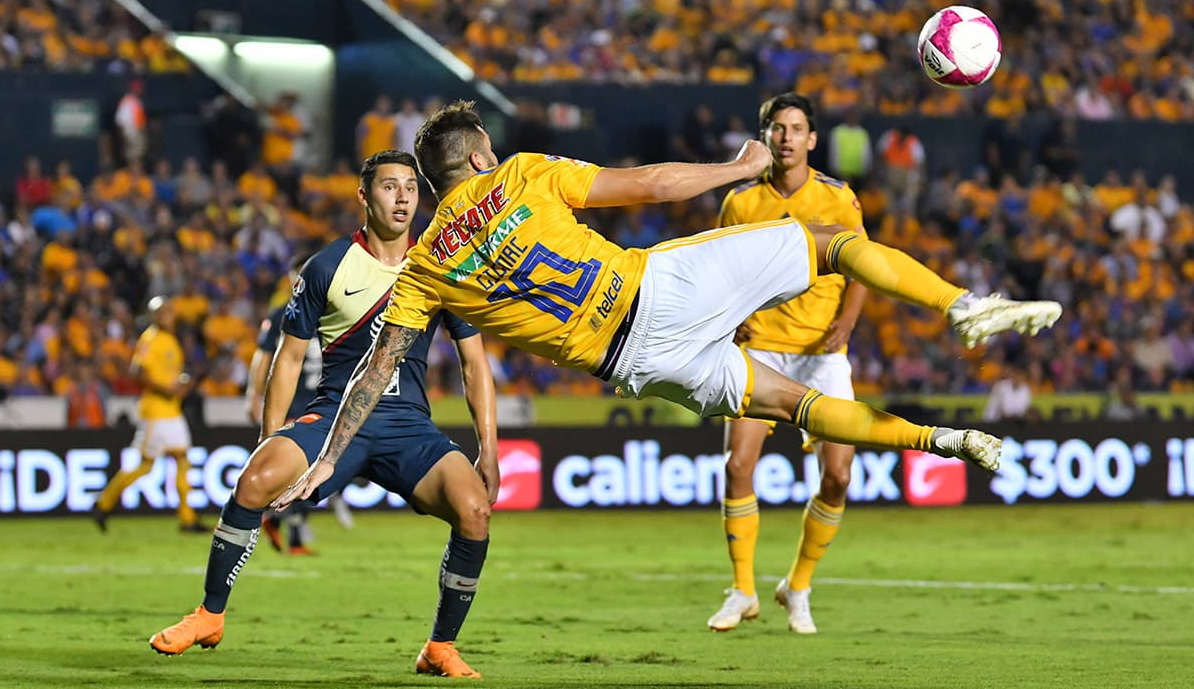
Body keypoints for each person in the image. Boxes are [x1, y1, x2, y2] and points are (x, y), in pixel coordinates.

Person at [277, 101, 1063, 547]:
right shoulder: (522, 174)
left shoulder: (423, 268)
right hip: (656, 292)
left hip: (636, 366)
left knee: (792, 405)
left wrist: (325, 460)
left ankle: (948, 443)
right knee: (830, 244)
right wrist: (740, 168)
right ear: (480, 158)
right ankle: (965, 307)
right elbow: (647, 184)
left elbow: (377, 369)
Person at [149, 150, 499, 680]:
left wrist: (488, 451)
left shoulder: (440, 266)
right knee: (255, 481)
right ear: (364, 196)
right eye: (389, 187)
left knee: (474, 511)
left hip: (408, 426)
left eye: (410, 187)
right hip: (336, 415)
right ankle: (208, 615)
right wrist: (270, 437)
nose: (403, 197)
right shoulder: (327, 266)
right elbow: (288, 358)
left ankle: (439, 647)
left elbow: (475, 364)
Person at [708, 92, 868, 635]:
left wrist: (846, 323)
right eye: (777, 128)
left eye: (796, 128)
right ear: (765, 137)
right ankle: (743, 589)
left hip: (822, 354)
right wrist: (731, 318)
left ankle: (797, 585)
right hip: (761, 349)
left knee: (839, 476)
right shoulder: (739, 202)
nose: (786, 137)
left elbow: (863, 266)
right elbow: (719, 271)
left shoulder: (839, 198)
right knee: (736, 467)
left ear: (812, 139)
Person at [93, 296, 207, 533]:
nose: (167, 315)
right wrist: (168, 389)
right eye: (161, 311)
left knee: (183, 460)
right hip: (156, 411)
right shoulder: (150, 338)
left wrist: (182, 384)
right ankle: (103, 503)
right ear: (153, 316)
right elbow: (138, 371)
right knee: (146, 466)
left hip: (172, 410)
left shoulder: (170, 339)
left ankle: (188, 518)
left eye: (169, 310)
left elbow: (169, 375)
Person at [244, 252, 331, 555]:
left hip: (322, 402)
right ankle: (286, 531)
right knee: (297, 470)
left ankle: (275, 520)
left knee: (311, 471)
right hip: (291, 403)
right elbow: (264, 357)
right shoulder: (281, 313)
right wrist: (253, 395)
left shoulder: (332, 311)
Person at [356, 94, 398, 165]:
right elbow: (360, 140)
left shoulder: (393, 122)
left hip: (386, 160)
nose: (383, 105)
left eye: (386, 103)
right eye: (381, 103)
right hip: (370, 158)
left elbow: (395, 141)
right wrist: (360, 157)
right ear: (377, 104)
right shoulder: (368, 119)